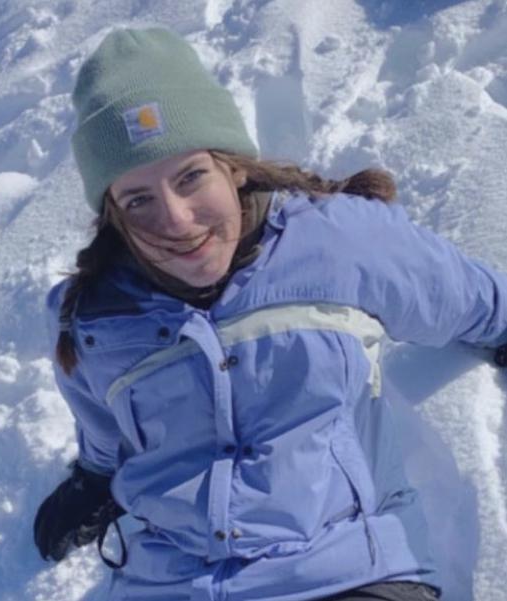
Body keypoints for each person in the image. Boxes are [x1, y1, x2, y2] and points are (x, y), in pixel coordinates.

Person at [33, 27, 507, 601]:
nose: (176, 220)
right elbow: (104, 425)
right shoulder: (93, 320)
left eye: (191, 177)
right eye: (139, 199)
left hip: (345, 572)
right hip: (169, 585)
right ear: (113, 213)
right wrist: (93, 479)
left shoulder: (338, 245)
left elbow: (474, 300)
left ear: (233, 167)